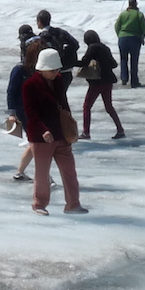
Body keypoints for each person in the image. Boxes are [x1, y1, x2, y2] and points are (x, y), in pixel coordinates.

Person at [23, 50, 86, 214]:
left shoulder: (58, 80)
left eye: (57, 69)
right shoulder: (29, 85)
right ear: (42, 69)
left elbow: (64, 104)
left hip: (61, 134)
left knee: (69, 171)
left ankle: (73, 204)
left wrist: (69, 125)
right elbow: (31, 113)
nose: (55, 72)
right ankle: (39, 204)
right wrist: (43, 130)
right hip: (41, 137)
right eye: (52, 70)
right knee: (42, 174)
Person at [78, 29, 124, 139]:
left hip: (97, 82)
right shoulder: (105, 47)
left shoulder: (92, 48)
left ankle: (86, 132)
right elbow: (114, 64)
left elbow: (84, 62)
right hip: (108, 81)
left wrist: (70, 63)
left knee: (87, 106)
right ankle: (120, 130)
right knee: (109, 107)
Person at [7, 38, 42, 181]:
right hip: (24, 110)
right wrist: (12, 113)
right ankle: (44, 176)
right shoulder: (20, 69)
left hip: (38, 110)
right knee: (38, 142)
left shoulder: (40, 69)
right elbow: (11, 91)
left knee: (36, 142)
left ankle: (20, 172)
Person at [36, 9, 80, 99]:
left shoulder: (43, 36)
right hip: (67, 71)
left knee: (52, 99)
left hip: (52, 73)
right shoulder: (60, 32)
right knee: (61, 98)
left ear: (39, 22)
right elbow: (75, 44)